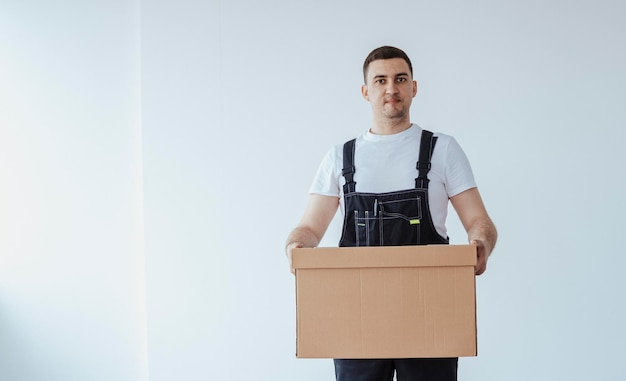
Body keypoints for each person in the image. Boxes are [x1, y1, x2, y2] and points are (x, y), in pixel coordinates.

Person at [285, 46, 497, 381]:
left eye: (400, 79)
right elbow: (309, 228)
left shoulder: (443, 150)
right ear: (366, 91)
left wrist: (481, 242)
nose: (391, 89)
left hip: (430, 314)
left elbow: (479, 221)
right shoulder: (340, 157)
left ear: (414, 87)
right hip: (357, 317)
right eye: (380, 80)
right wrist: (296, 248)